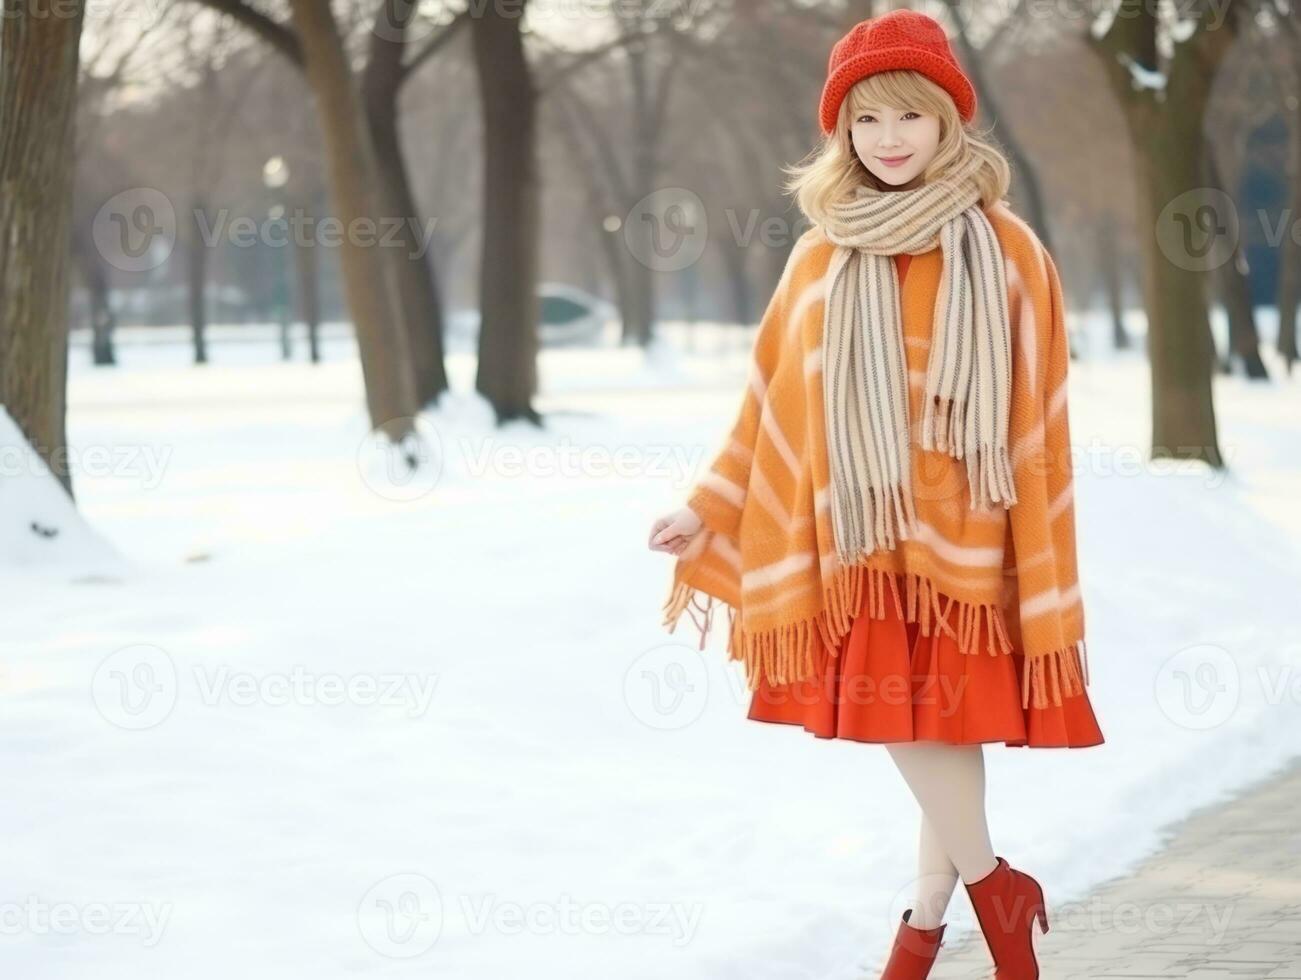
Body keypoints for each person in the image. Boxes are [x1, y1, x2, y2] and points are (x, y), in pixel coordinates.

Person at [647, 10, 1103, 979]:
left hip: (966, 545)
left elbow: (1038, 405)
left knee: (928, 727)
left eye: (905, 115)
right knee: (910, 724)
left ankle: (936, 920)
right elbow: (769, 397)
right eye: (864, 122)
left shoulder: (1005, 247)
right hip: (855, 544)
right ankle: (978, 902)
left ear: (945, 122)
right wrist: (710, 503)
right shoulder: (818, 253)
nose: (886, 138)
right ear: (839, 135)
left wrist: (1029, 538)